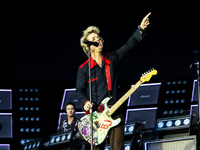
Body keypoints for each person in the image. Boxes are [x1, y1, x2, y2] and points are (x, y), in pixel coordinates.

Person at [76, 12, 151, 150]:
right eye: (93, 38)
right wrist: (85, 102)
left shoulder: (111, 59)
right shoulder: (83, 69)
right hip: (96, 118)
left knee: (117, 147)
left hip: (116, 110)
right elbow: (79, 90)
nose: (98, 39)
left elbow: (128, 46)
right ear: (87, 47)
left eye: (98, 37)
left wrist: (140, 29)